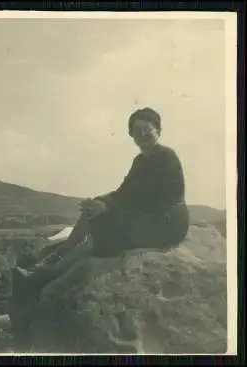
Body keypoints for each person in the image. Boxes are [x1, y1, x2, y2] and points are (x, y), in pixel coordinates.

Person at [13, 107, 190, 299]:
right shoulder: (140, 160)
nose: (143, 135)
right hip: (146, 217)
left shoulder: (165, 157)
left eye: (147, 129)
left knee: (101, 232)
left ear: (158, 130)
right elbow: (124, 192)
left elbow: (147, 197)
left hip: (165, 222)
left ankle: (45, 273)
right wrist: (99, 201)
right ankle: (53, 262)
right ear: (132, 137)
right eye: (137, 131)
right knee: (93, 213)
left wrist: (109, 207)